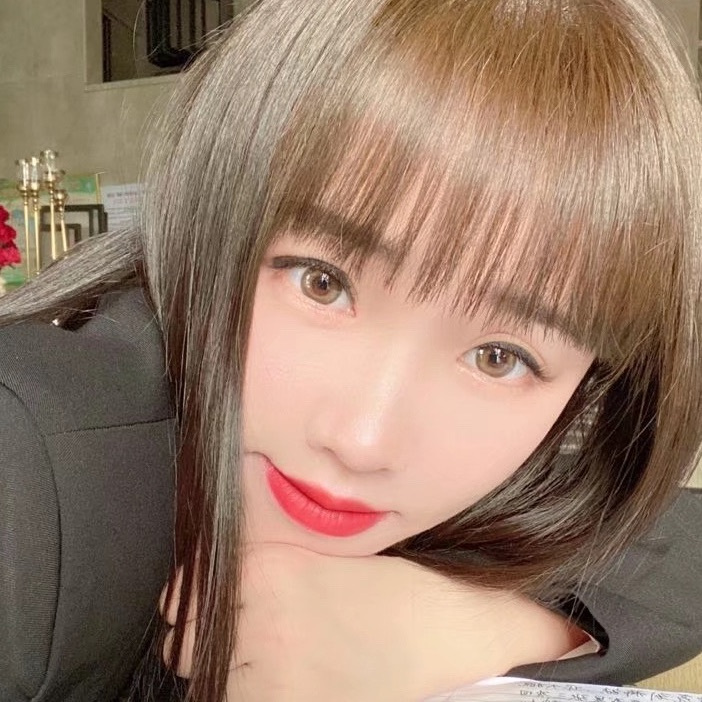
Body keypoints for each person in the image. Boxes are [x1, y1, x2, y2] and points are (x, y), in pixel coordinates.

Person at [0, 0, 701, 700]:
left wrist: (478, 624)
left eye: (498, 357)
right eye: (323, 283)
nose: (364, 442)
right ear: (216, 213)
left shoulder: (535, 477)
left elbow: (677, 551)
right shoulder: (32, 474)